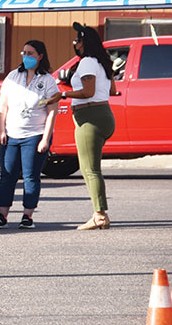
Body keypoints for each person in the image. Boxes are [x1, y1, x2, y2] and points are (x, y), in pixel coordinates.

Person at [45, 22, 116, 230]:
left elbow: (88, 91)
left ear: (84, 42)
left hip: (89, 116)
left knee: (90, 169)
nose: (74, 43)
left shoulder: (87, 63)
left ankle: (99, 215)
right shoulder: (103, 62)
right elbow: (112, 89)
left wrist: (63, 94)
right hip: (104, 114)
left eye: (77, 39)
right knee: (91, 167)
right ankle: (100, 213)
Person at [0, 40, 59, 230]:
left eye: (31, 53)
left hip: (35, 134)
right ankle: (2, 215)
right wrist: (2, 130)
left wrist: (45, 138)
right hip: (12, 134)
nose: (26, 56)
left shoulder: (47, 80)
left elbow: (53, 110)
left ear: (40, 56)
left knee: (30, 176)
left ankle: (27, 216)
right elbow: (2, 106)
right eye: (24, 53)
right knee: (7, 175)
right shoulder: (13, 76)